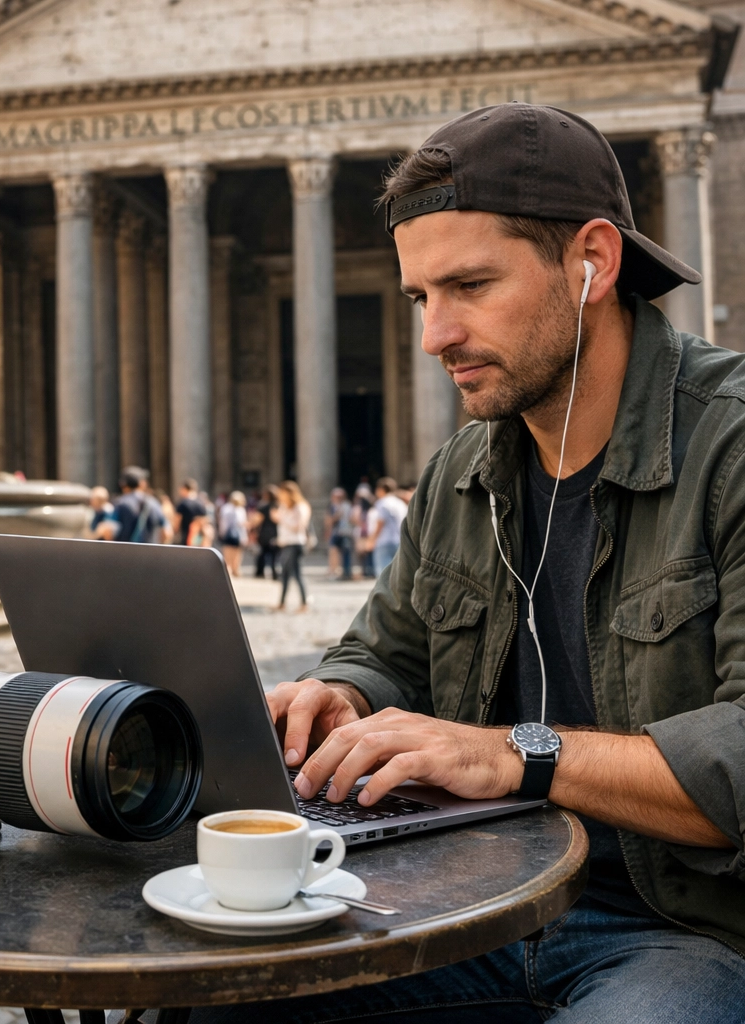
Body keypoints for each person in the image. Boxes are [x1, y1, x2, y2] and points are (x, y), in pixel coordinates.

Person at [195, 104, 745, 1022]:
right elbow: (390, 650)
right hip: (466, 901)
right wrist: (344, 696)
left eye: (470, 286)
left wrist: (514, 754)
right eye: (420, 298)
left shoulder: (729, 446)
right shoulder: (465, 469)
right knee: (213, 997)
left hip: (683, 929)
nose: (433, 336)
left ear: (593, 263)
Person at [272, 480, 311, 612]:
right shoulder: (283, 506)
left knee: (295, 574)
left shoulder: (301, 506)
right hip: (285, 544)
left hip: (295, 544)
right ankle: (282, 603)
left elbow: (299, 526)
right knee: (285, 574)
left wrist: (281, 519)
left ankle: (304, 603)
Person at [110, 467, 171, 544]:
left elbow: (109, 531)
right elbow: (167, 533)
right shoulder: (153, 502)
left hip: (124, 553)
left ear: (123, 485)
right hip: (150, 553)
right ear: (142, 483)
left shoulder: (120, 503)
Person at [369, 476, 408, 575]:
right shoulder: (400, 503)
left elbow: (380, 523)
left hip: (384, 541)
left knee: (384, 574)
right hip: (400, 540)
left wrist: (372, 539)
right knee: (398, 573)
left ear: (381, 490)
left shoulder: (382, 503)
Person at [251, 485, 281, 579]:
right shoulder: (280, 506)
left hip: (265, 533)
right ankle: (274, 573)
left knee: (262, 554)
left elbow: (256, 520)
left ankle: (260, 572)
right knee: (274, 555)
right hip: (276, 533)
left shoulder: (264, 507)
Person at [217, 490, 249, 576]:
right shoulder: (239, 510)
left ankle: (232, 571)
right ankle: (232, 570)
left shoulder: (227, 508)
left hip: (230, 534)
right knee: (234, 554)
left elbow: (223, 523)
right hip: (236, 534)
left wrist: (222, 533)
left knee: (231, 555)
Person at [325, 487, 354, 580]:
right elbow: (328, 521)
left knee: (346, 552)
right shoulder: (332, 507)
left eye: (339, 496)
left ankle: (346, 572)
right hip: (335, 532)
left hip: (345, 532)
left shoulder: (347, 506)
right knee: (333, 552)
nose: (337, 498)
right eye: (335, 496)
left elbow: (352, 519)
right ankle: (333, 571)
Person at [174, 478, 209, 546]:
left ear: (184, 489)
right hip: (199, 538)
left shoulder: (183, 503)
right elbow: (205, 520)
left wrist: (175, 534)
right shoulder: (201, 502)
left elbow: (177, 522)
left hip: (186, 537)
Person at [352, 483, 376, 578]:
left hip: (367, 534)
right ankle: (367, 570)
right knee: (365, 553)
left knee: (367, 553)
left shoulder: (371, 510)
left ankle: (368, 570)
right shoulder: (364, 509)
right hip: (364, 533)